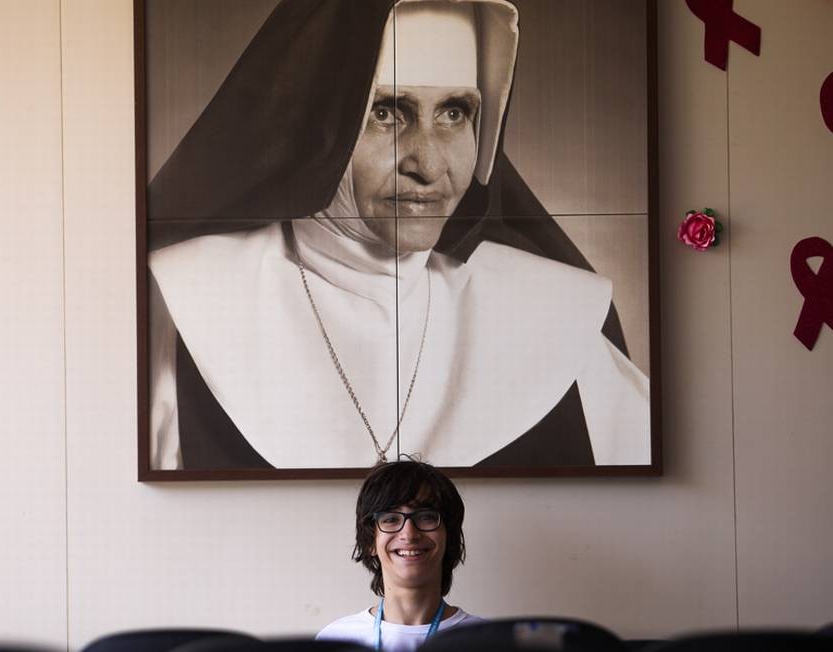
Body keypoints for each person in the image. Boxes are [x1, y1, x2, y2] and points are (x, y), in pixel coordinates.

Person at [146, 0, 650, 471]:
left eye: (455, 113)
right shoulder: (184, 302)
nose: (428, 165)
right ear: (313, 127)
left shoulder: (558, 317)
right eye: (386, 113)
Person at [316, 460, 480, 651]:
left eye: (426, 516)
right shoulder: (336, 641)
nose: (409, 535)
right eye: (391, 519)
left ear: (448, 535)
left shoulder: (487, 641)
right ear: (370, 541)